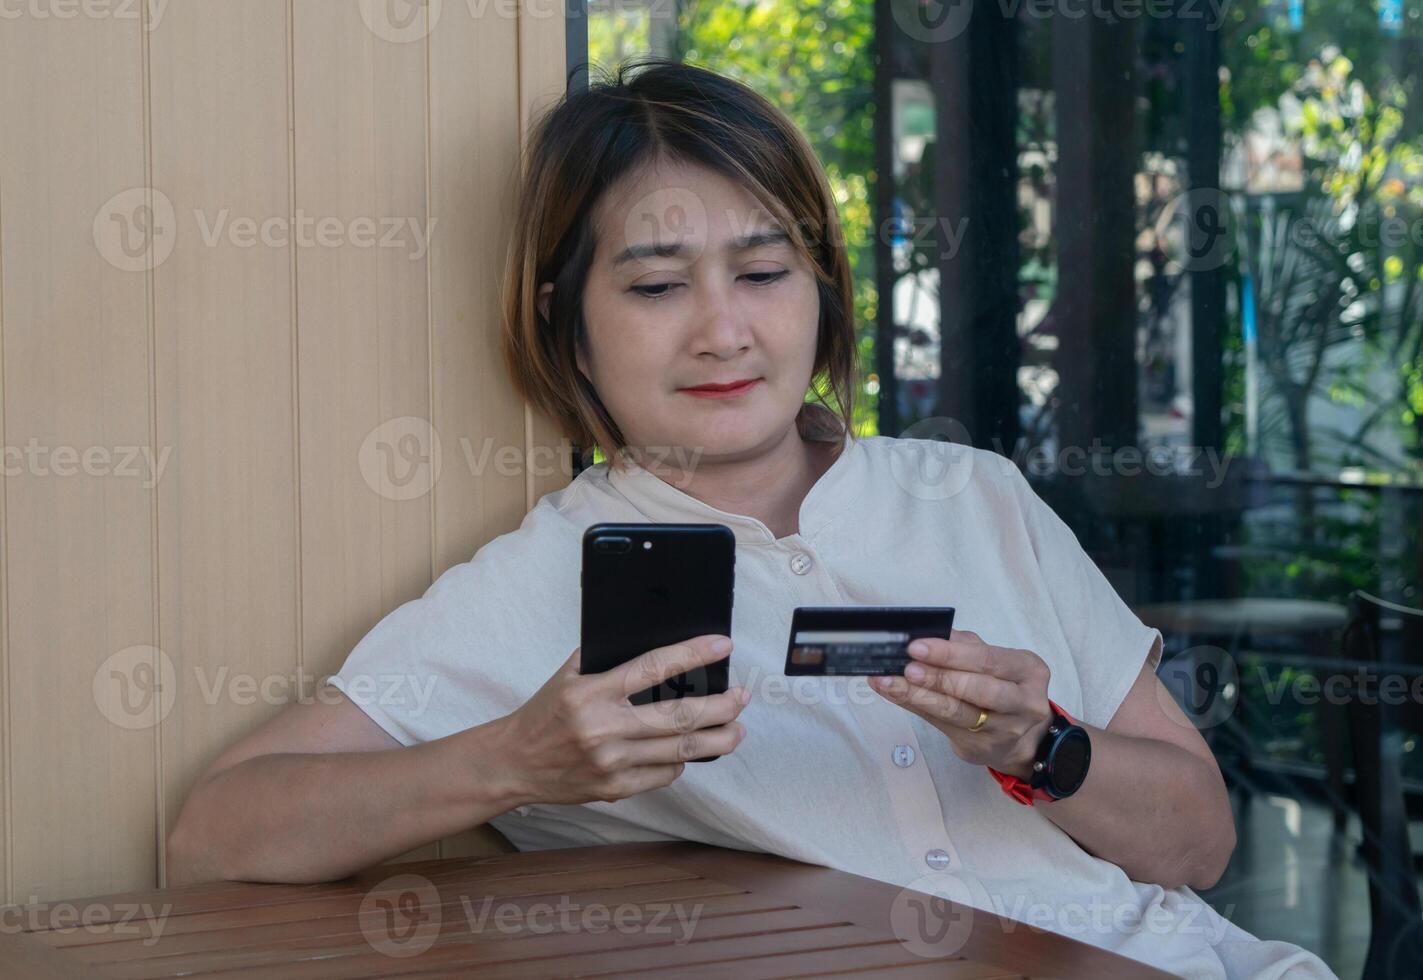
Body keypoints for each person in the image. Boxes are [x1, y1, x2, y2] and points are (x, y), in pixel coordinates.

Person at [166, 59, 1338, 980]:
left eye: (764, 271)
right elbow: (216, 834)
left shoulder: (973, 494)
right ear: (568, 324)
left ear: (822, 286)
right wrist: (510, 759)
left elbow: (1198, 845)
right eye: (656, 284)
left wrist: (1042, 745)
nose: (723, 331)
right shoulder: (548, 575)